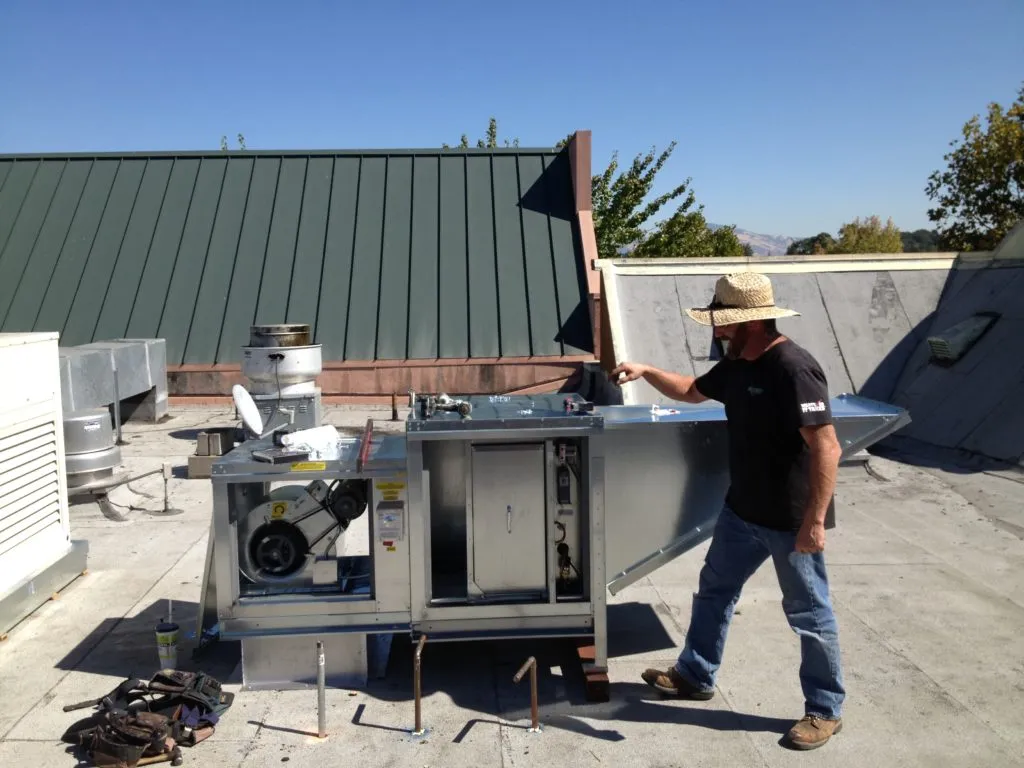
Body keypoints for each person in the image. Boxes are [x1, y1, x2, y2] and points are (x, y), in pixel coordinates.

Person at [611, 271, 845, 751]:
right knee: (714, 592)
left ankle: (824, 709)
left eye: (724, 323)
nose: (716, 330)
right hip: (742, 511)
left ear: (754, 322)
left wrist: (814, 523)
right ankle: (695, 676)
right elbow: (691, 390)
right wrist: (646, 370)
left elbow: (827, 448)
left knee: (808, 612)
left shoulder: (793, 368)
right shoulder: (737, 363)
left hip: (790, 519)